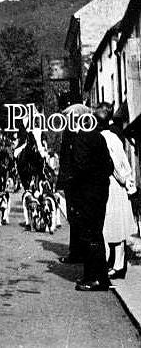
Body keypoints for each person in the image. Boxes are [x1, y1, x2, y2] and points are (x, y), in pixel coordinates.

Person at [70, 104, 114, 291]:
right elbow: (109, 167)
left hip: (86, 194)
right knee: (96, 233)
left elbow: (79, 168)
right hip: (100, 192)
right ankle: (99, 276)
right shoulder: (99, 138)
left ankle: (94, 278)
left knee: (88, 235)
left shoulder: (82, 138)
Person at [97, 103, 137, 281]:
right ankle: (116, 263)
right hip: (111, 184)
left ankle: (119, 265)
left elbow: (117, 164)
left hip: (114, 186)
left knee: (115, 225)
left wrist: (125, 181)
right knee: (114, 225)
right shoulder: (108, 137)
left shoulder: (108, 139)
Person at [56, 104, 86, 264]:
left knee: (77, 217)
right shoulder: (69, 133)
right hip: (71, 184)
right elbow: (63, 160)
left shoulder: (77, 135)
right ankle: (76, 251)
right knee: (73, 217)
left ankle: (77, 252)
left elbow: (68, 160)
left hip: (77, 184)